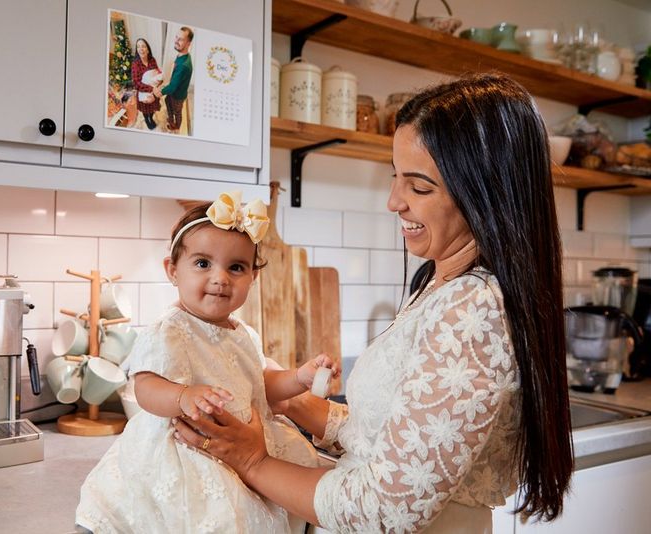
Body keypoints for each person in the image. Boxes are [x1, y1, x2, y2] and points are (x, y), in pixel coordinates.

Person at [173, 72, 574, 532]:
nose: (393, 201)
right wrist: (295, 404)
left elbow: (386, 509)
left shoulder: (473, 309)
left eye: (419, 187)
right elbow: (390, 440)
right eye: (395, 178)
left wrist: (252, 460)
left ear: (487, 194)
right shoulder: (441, 285)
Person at [75, 192, 339, 533]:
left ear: (253, 278)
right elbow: (145, 387)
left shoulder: (243, 333)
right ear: (172, 270)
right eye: (203, 263)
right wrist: (183, 396)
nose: (221, 278)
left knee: (294, 483)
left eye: (236, 267)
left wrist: (299, 378)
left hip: (243, 441)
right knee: (220, 516)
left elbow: (261, 385)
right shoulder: (169, 330)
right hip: (192, 448)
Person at [153, 26, 193, 133]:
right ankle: (171, 119)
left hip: (178, 95)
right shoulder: (181, 56)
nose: (176, 41)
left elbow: (172, 87)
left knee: (178, 112)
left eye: (180, 39)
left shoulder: (184, 65)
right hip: (174, 91)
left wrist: (159, 91)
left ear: (189, 43)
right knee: (167, 101)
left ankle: (177, 126)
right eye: (176, 37)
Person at [130, 38, 161, 130]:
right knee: (145, 109)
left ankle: (150, 117)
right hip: (143, 93)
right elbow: (136, 83)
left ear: (148, 49)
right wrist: (152, 89)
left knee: (152, 108)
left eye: (143, 46)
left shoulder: (152, 60)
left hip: (153, 90)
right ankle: (147, 119)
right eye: (138, 47)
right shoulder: (135, 64)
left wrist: (160, 77)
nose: (141, 49)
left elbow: (156, 72)